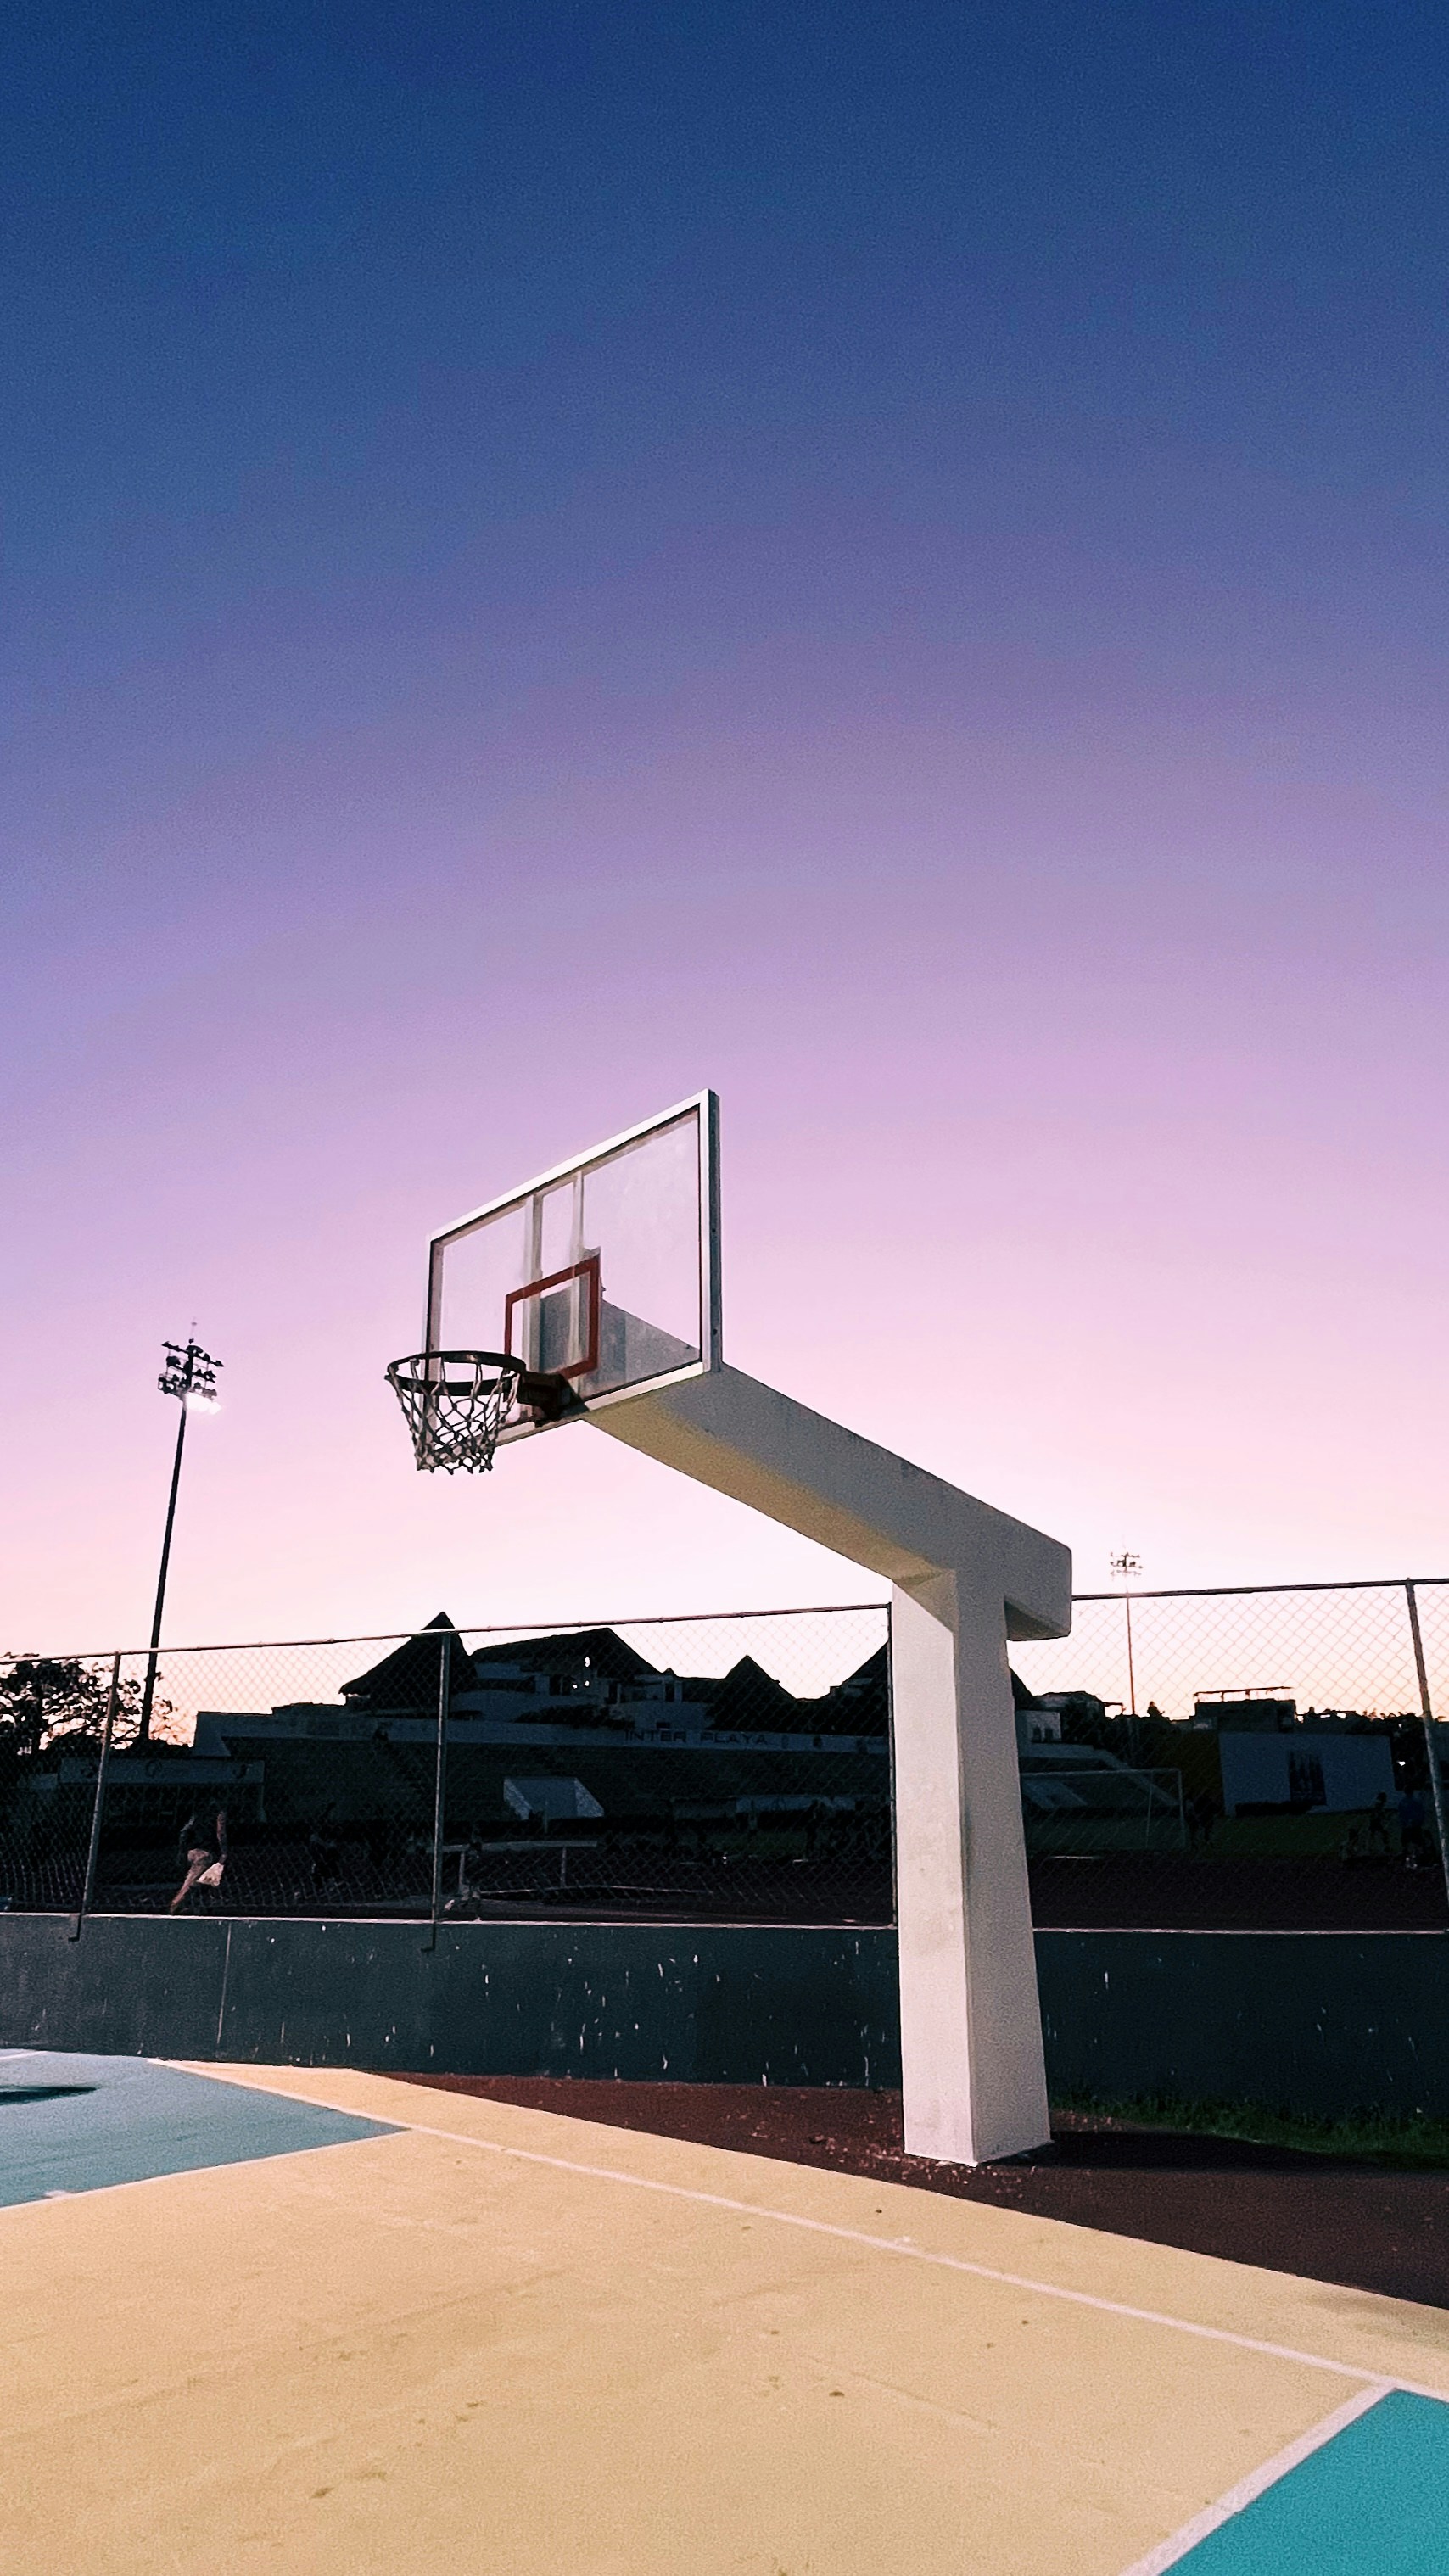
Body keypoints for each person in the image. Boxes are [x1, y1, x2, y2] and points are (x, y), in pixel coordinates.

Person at [171, 1801, 227, 1912]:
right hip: (205, 1853)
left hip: (192, 1851)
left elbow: (184, 1832)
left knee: (203, 1882)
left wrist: (182, 1851)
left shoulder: (198, 1814)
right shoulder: (220, 1814)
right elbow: (221, 1833)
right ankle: (174, 1907)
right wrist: (224, 1852)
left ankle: (199, 1908)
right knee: (191, 1884)